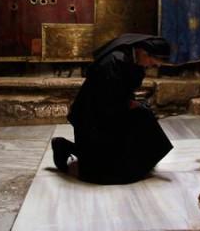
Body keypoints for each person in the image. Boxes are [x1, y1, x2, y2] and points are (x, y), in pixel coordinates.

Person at [51, 34, 174, 185]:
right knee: (106, 172)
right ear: (143, 52)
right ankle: (63, 146)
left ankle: (137, 159)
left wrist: (132, 104)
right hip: (93, 116)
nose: (151, 66)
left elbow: (123, 90)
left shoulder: (134, 59)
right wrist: (129, 105)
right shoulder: (113, 61)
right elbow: (105, 99)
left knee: (144, 116)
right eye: (152, 63)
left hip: (112, 108)